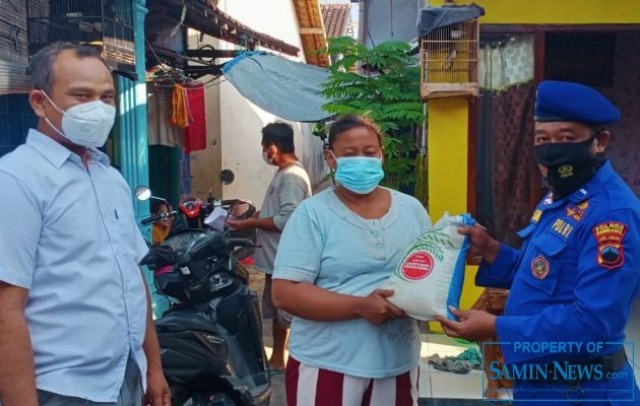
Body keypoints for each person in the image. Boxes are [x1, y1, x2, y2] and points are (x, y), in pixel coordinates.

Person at [438, 80, 640, 405]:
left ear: (600, 141)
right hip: (540, 383)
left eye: (566, 138)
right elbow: (540, 271)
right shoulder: (561, 199)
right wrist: (490, 248)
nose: (551, 148)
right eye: (542, 139)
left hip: (582, 389)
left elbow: (594, 322)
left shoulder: (611, 216)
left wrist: (498, 327)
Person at [0, 42, 170, 405]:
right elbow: (5, 309)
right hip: (61, 389)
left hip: (125, 376)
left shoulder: (111, 178)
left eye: (107, 97)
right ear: (39, 102)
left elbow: (132, 277)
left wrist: (152, 367)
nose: (98, 108)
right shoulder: (16, 181)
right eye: (81, 96)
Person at [271, 114, 432, 405]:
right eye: (349, 154)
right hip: (327, 365)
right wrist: (360, 306)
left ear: (381, 155)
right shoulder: (312, 215)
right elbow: (284, 293)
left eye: (369, 153)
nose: (362, 160)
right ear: (331, 159)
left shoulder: (412, 210)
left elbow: (429, 274)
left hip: (396, 364)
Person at [227, 122, 312, 372]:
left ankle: (292, 360)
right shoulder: (284, 173)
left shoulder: (292, 178)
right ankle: (277, 357)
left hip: (285, 260)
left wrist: (251, 223)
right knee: (276, 312)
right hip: (275, 259)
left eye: (264, 147)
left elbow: (288, 219)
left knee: (285, 313)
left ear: (273, 147)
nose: (264, 152)